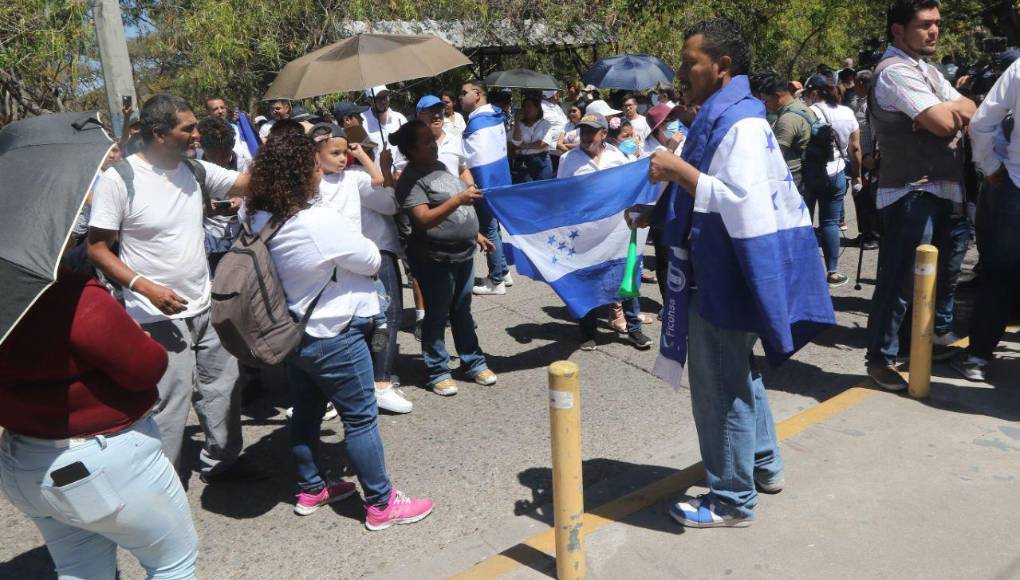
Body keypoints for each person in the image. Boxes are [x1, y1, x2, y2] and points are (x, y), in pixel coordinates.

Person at [644, 18, 823, 528]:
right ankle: (764, 465)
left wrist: (679, 173)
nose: (681, 71)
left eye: (689, 62)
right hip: (728, 271)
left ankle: (730, 499)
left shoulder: (739, 124)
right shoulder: (734, 114)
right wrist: (661, 206)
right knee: (740, 376)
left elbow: (742, 205)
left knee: (719, 388)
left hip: (722, 276)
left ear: (721, 68)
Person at [245, 131, 433, 528]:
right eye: (315, 165)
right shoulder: (313, 219)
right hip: (335, 332)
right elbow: (368, 259)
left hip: (295, 331)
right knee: (360, 418)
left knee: (307, 413)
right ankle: (381, 504)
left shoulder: (259, 216)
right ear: (304, 170)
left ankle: (311, 487)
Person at [87, 94, 264, 483]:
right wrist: (145, 288)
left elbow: (248, 183)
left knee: (223, 390)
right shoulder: (120, 179)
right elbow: (98, 248)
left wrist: (286, 152)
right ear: (159, 134)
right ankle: (164, 481)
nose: (197, 135)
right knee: (169, 402)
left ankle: (223, 463)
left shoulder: (194, 170)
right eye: (188, 128)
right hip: (154, 314)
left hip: (205, 304)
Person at [0, 270, 199, 578]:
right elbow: (145, 368)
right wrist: (136, 336)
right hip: (99, 462)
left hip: (23, 460)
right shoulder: (70, 294)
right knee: (173, 565)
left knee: (81, 570)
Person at [864, 0, 976, 391]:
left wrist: (954, 109)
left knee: (938, 279)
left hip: (942, 189)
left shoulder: (926, 70)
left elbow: (970, 107)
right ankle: (880, 357)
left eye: (937, 23)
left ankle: (917, 348)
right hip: (911, 192)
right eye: (924, 24)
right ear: (898, 29)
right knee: (899, 282)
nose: (934, 31)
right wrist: (952, 111)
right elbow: (947, 121)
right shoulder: (895, 72)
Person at [389, 121, 499, 396]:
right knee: (438, 315)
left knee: (462, 310)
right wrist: (459, 200)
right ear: (411, 151)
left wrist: (475, 235)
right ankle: (437, 370)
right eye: (425, 141)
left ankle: (472, 362)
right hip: (434, 258)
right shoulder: (409, 180)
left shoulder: (439, 167)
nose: (433, 143)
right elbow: (424, 219)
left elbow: (456, 201)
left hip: (463, 252)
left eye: (432, 138)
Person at [309, 124, 412, 415]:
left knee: (382, 320)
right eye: (335, 152)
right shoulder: (307, 185)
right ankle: (330, 394)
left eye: (345, 152)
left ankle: (381, 382)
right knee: (334, 328)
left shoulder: (353, 179)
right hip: (326, 271)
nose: (343, 158)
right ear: (315, 155)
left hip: (363, 264)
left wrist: (373, 162)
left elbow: (388, 202)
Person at [557, 113, 654, 351]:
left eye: (592, 131)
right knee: (587, 279)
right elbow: (559, 194)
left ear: (603, 134)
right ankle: (588, 332)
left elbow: (631, 185)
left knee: (625, 275)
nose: (587, 136)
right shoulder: (568, 160)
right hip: (585, 232)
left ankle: (634, 330)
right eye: (583, 131)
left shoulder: (617, 156)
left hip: (616, 230)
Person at [950, 57, 1020, 382]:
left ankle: (977, 356)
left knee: (1000, 276)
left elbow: (980, 124)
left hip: (1015, 188)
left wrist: (991, 167)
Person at [803, 74, 861, 286]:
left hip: (810, 174)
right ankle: (833, 272)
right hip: (837, 172)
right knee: (830, 223)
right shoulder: (847, 112)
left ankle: (805, 271)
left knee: (804, 222)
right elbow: (855, 148)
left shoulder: (809, 112)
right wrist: (856, 175)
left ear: (813, 93)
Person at [460, 81, 514, 295]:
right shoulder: (494, 115)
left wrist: (475, 187)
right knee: (493, 228)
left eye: (464, 93)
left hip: (486, 185)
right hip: (499, 180)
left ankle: (496, 280)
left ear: (477, 94)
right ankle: (502, 270)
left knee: (489, 229)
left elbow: (475, 160)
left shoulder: (478, 123)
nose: (460, 97)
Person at [197, 115, 247, 273]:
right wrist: (204, 208)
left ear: (232, 144)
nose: (219, 162)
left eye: (223, 155)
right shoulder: (192, 168)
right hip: (208, 245)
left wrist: (242, 201)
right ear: (202, 147)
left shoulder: (246, 164)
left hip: (243, 239)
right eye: (213, 156)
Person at [753, 72, 816, 197]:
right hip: (807, 175)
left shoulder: (787, 119)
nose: (764, 105)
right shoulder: (803, 108)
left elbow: (775, 156)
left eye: (765, 101)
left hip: (793, 178)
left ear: (777, 96)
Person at [847, 69, 881, 248]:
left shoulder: (874, 104)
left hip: (870, 160)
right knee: (860, 197)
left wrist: (871, 157)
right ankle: (865, 232)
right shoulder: (856, 101)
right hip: (860, 157)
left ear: (862, 83)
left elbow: (877, 134)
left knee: (870, 199)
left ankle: (873, 235)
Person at [510, 96, 555, 183]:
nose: (526, 109)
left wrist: (524, 146)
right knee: (526, 190)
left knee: (543, 189)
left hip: (541, 161)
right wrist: (517, 122)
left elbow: (544, 143)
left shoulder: (545, 124)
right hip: (524, 162)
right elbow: (516, 142)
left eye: (529, 106)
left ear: (537, 109)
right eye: (524, 107)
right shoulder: (520, 124)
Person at [362, 85, 407, 165]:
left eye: (385, 97)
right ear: (369, 100)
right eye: (378, 98)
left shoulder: (400, 118)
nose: (383, 101)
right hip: (376, 176)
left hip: (401, 174)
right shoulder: (362, 121)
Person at [205, 97, 254, 168]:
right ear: (208, 113)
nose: (220, 111)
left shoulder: (237, 129)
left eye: (222, 108)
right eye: (215, 109)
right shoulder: (205, 134)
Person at [541, 90, 570, 172]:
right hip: (551, 152)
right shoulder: (542, 107)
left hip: (562, 151)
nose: (559, 95)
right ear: (554, 95)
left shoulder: (557, 107)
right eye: (558, 93)